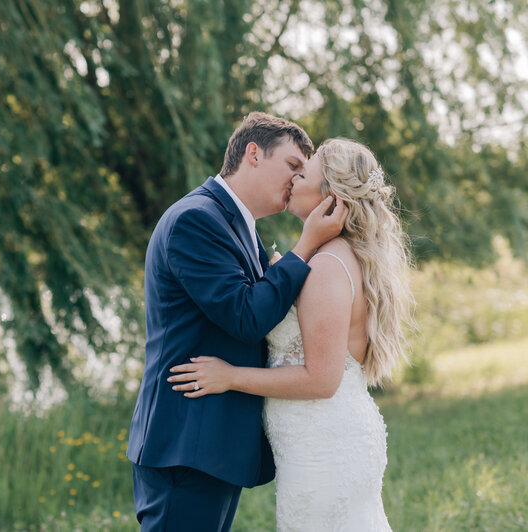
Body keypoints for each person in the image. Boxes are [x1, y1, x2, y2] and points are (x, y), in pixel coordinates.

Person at [169, 138, 414, 530]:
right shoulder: (328, 259)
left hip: (324, 445)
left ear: (329, 199)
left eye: (304, 173)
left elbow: (321, 379)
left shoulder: (328, 267)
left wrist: (229, 376)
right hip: (322, 439)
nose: (294, 180)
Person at [126, 113, 349, 531]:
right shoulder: (196, 220)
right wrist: (304, 249)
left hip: (211, 444)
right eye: (292, 166)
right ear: (253, 154)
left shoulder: (238, 226)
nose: (298, 180)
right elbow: (246, 316)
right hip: (185, 443)